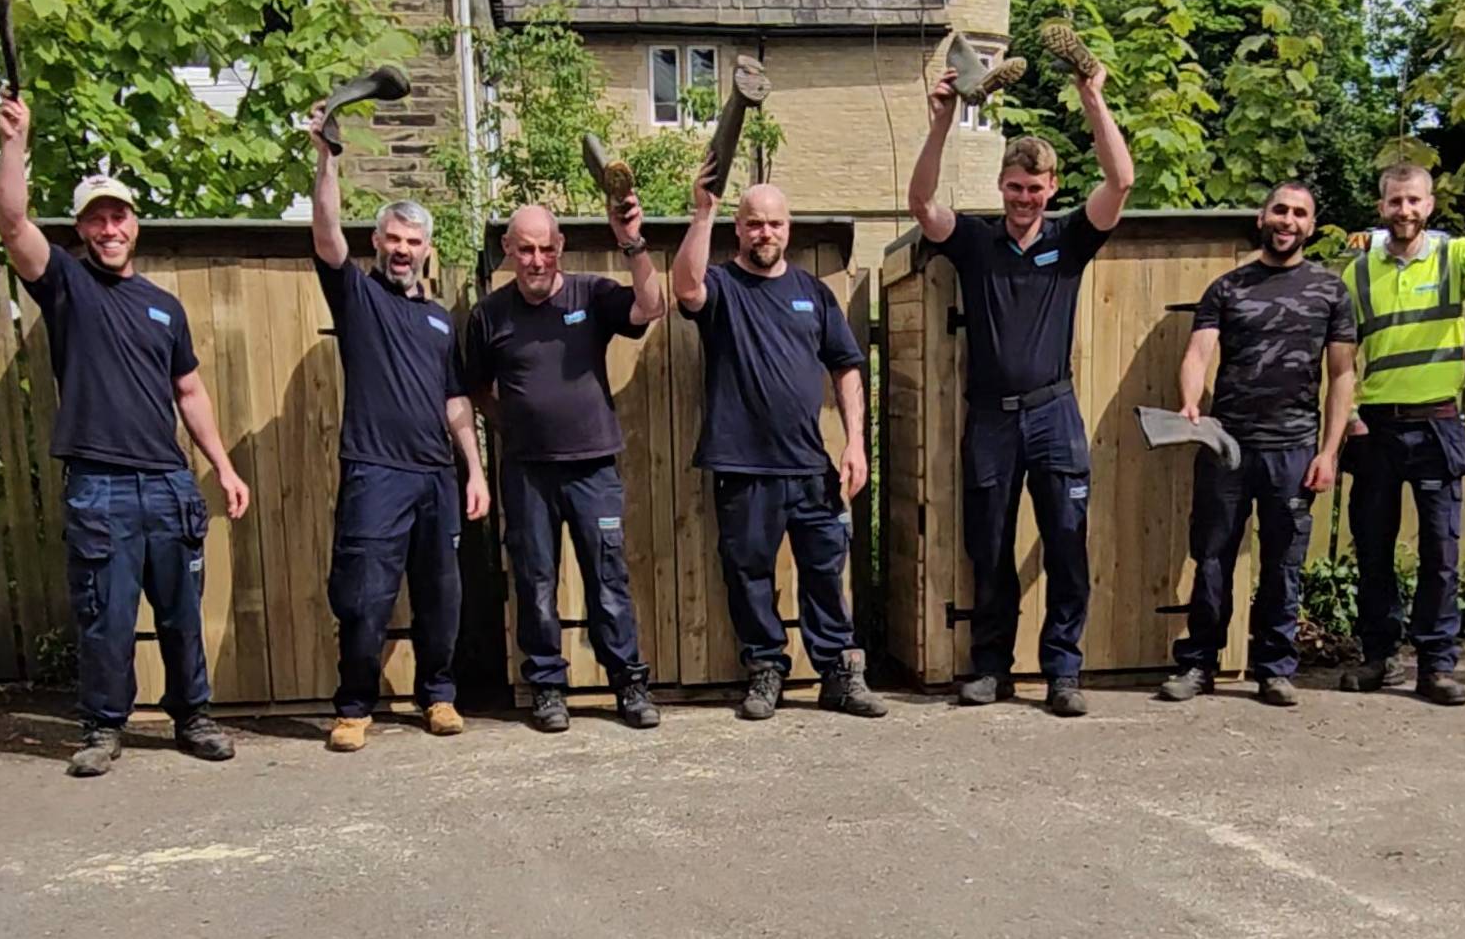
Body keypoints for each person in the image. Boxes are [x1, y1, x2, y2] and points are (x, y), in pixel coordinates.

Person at [0, 95, 250, 777]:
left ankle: (192, 717)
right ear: (81, 230)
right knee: (104, 620)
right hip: (99, 488)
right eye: (96, 218)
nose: (109, 227)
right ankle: (104, 729)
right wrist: (14, 142)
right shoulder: (67, 287)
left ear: (134, 225)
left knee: (181, 616)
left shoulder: (165, 308)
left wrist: (221, 467)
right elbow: (12, 221)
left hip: (168, 485)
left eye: (118, 215)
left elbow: (188, 392)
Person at [907, 47, 1134, 717]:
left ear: (1052, 189)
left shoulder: (1072, 239)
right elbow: (920, 201)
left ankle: (1062, 672)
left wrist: (1092, 98)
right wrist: (942, 121)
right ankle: (990, 669)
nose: (1024, 199)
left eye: (1035, 189)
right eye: (1014, 188)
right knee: (989, 547)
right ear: (1000, 187)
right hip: (990, 420)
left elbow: (1119, 182)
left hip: (1053, 414)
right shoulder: (975, 243)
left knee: (1066, 542)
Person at [308, 106, 488, 752]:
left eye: (414, 241)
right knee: (363, 599)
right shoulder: (357, 299)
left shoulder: (441, 322)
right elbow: (326, 234)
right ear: (378, 244)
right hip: (374, 473)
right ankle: (355, 707)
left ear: (427, 250)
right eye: (393, 239)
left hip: (435, 477)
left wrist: (474, 470)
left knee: (442, 599)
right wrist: (327, 159)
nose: (403, 250)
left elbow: (455, 401)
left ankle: (437, 696)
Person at [672, 179, 886, 722]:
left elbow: (847, 367)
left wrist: (855, 443)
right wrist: (703, 216)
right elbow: (685, 287)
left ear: (787, 229)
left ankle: (839, 674)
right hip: (743, 467)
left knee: (824, 572)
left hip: (810, 466)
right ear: (738, 228)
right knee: (749, 575)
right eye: (754, 223)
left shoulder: (813, 293)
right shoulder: (722, 286)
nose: (765, 232)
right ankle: (766, 669)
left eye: (775, 223)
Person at [464, 202, 664, 732]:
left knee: (608, 580)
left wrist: (633, 243)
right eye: (525, 249)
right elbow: (476, 389)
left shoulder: (591, 295)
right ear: (508, 250)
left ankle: (629, 685)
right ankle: (547, 688)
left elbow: (652, 306)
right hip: (527, 472)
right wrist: (512, 424)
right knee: (533, 582)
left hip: (593, 468)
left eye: (546, 248)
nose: (537, 259)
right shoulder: (489, 314)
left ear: (561, 249)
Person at [1164, 182, 1357, 707]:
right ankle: (1200, 664)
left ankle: (1274, 669)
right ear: (1262, 217)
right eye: (1279, 210)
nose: (1287, 220)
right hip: (1227, 444)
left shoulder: (1331, 291)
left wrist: (1329, 450)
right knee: (1210, 559)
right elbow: (1198, 353)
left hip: (1294, 449)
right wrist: (1190, 403)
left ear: (1311, 226)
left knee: (1282, 564)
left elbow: (1342, 374)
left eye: (1299, 213)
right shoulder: (1227, 289)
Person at [1341, 160, 1465, 706]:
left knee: (1441, 553)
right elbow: (1342, 356)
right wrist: (1348, 412)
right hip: (1375, 424)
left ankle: (1437, 666)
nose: (1405, 211)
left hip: (1437, 421)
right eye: (1395, 202)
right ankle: (1379, 657)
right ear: (1381, 208)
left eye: (1415, 201)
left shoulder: (1455, 254)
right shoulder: (1358, 272)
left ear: (1430, 205)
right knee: (1372, 550)